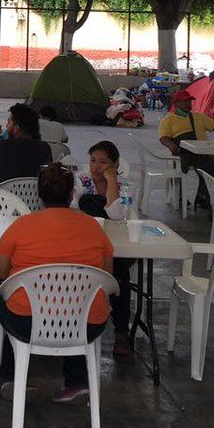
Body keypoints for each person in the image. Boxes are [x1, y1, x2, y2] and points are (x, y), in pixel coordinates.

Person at [0, 163, 115, 403]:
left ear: (39, 193)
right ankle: (78, 382)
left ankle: (10, 379)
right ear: (71, 194)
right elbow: (107, 273)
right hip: (86, 323)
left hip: (27, 322)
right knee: (78, 302)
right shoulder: (93, 226)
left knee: (9, 301)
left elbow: (0, 272)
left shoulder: (21, 226)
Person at [75, 141, 134, 355]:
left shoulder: (124, 186)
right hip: (87, 242)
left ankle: (121, 331)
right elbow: (72, 210)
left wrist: (111, 182)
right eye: (93, 161)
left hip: (116, 243)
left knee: (120, 274)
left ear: (115, 165)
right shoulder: (80, 181)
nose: (96, 167)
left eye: (103, 162)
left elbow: (117, 214)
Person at [158, 88, 214, 208]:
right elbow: (163, 137)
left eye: (189, 101)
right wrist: (171, 145)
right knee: (180, 168)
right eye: (184, 101)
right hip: (182, 152)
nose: (187, 104)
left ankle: (203, 196)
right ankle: (179, 196)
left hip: (201, 151)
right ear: (176, 103)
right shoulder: (169, 119)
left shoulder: (199, 117)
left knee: (208, 163)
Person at [0, 103, 53, 181]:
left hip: (5, 189)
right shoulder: (45, 148)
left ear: (16, 128)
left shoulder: (0, 146)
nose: (6, 125)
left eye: (9, 122)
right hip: (35, 189)